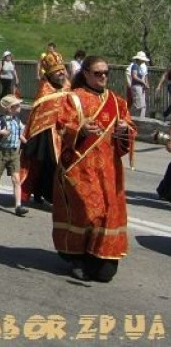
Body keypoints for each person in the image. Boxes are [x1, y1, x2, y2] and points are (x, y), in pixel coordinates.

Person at [52, 56, 135, 283]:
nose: (103, 77)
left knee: (107, 216)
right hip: (81, 169)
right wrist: (80, 130)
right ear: (86, 73)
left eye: (106, 73)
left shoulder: (117, 102)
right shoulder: (74, 99)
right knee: (89, 213)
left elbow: (128, 131)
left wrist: (124, 128)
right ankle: (76, 257)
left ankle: (100, 257)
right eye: (98, 73)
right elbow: (60, 127)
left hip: (109, 171)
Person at [20, 52, 69, 205]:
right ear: (49, 74)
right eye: (57, 71)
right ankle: (40, 192)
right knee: (45, 164)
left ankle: (58, 196)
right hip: (46, 135)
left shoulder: (68, 86)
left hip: (66, 134)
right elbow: (38, 115)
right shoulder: (45, 91)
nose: (61, 73)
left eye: (62, 70)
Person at [0, 95, 28, 216]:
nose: (19, 107)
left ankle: (18, 206)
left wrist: (27, 142)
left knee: (16, 179)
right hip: (1, 153)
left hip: (14, 153)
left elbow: (19, 134)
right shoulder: (1, 120)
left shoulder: (17, 121)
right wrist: (0, 132)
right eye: (16, 105)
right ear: (9, 108)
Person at [126, 51, 150, 118]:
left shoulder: (140, 67)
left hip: (140, 87)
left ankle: (142, 119)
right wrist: (143, 82)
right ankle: (133, 119)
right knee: (138, 106)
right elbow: (134, 76)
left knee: (143, 106)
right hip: (136, 87)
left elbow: (144, 76)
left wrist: (145, 84)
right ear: (139, 59)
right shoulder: (135, 66)